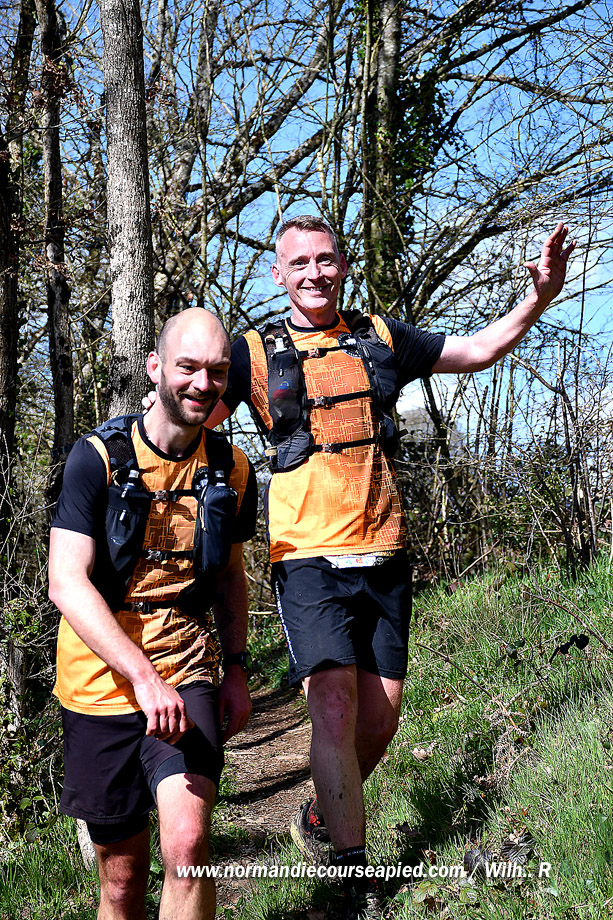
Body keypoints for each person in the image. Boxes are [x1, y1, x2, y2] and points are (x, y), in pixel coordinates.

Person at [151, 217, 575, 918]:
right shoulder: (252, 353)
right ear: (278, 275)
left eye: (325, 260)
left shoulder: (379, 337)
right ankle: (354, 880)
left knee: (378, 723)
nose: (314, 273)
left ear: (342, 266)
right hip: (306, 558)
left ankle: (319, 818)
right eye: (299, 263)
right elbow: (190, 414)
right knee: (333, 706)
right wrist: (137, 457)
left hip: (385, 552)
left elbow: (477, 350)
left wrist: (539, 296)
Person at [49, 308, 258, 920]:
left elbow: (230, 576)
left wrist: (237, 668)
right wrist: (142, 678)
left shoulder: (232, 468)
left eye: (217, 371)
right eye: (188, 367)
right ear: (155, 368)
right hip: (99, 685)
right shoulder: (97, 458)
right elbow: (66, 582)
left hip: (187, 668)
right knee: (121, 880)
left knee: (187, 846)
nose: (202, 383)